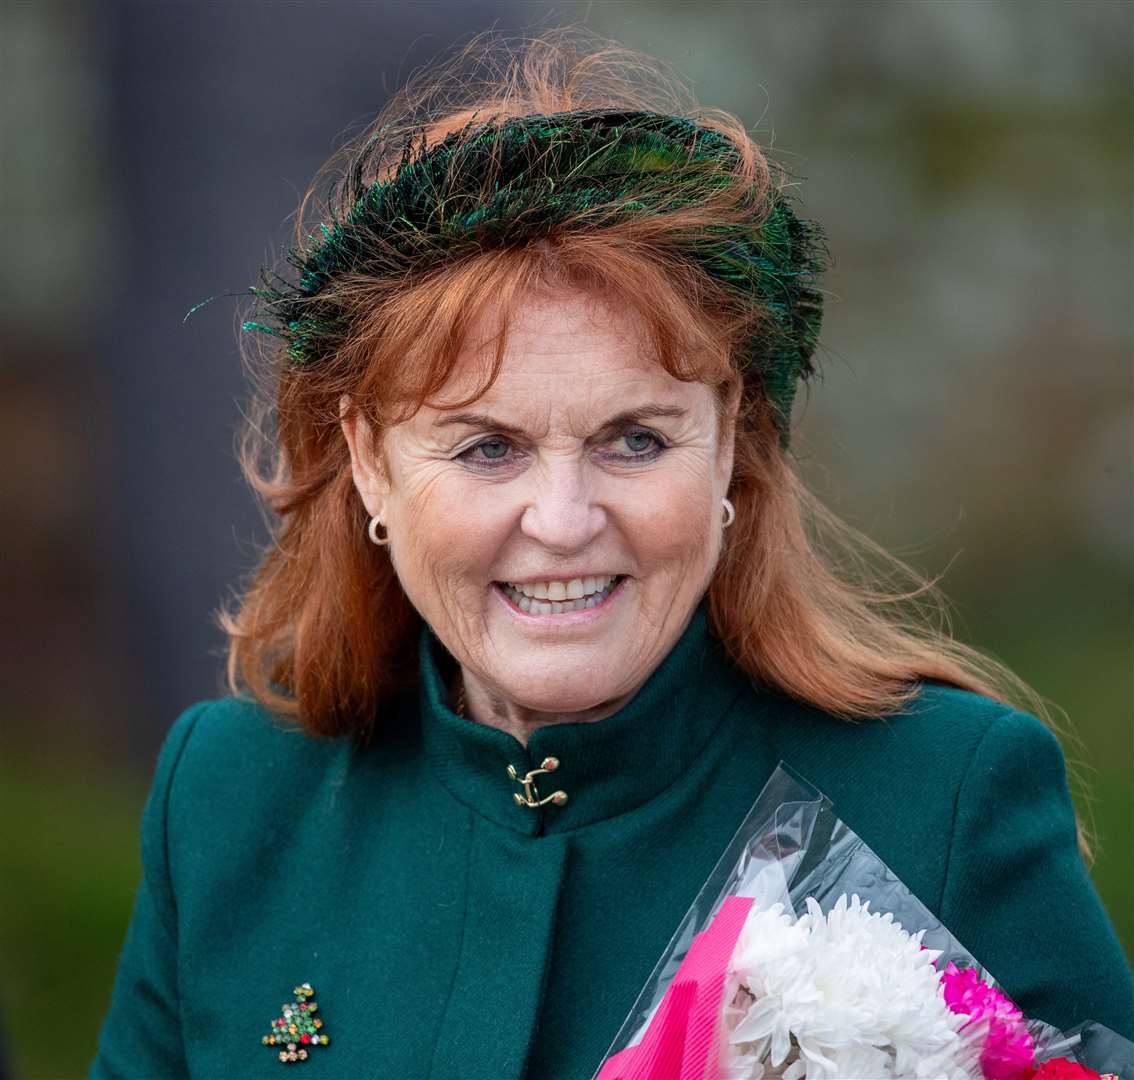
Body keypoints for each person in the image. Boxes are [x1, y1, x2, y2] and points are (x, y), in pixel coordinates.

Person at [89, 31, 1134, 1080]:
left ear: (729, 441)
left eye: (634, 440)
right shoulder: (229, 800)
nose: (563, 518)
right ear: (367, 461)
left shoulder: (946, 795)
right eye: (487, 447)